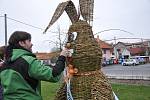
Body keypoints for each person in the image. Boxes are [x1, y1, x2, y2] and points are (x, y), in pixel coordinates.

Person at [0, 31, 70, 100]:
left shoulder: (4, 65)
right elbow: (53, 74)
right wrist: (62, 57)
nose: (32, 44)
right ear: (21, 43)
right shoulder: (28, 61)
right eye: (29, 41)